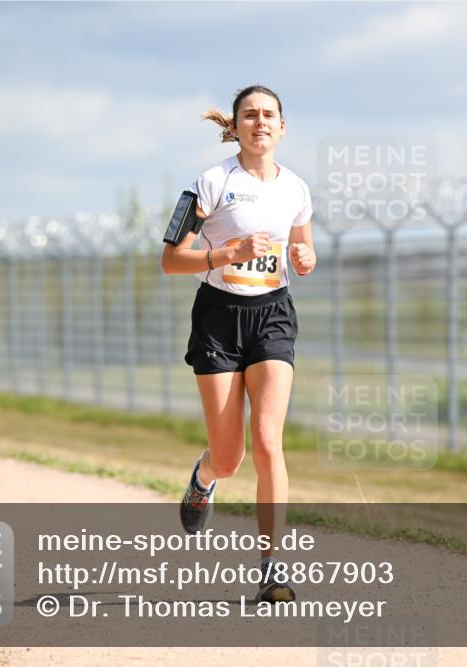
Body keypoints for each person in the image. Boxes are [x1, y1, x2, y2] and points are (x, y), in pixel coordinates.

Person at [161, 85, 316, 603]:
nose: (260, 122)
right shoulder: (209, 183)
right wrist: (224, 253)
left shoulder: (296, 188)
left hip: (273, 314)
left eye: (269, 114)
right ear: (236, 125)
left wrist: (305, 258)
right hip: (219, 319)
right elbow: (170, 259)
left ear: (282, 126)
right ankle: (205, 478)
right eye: (250, 115)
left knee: (268, 441)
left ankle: (272, 567)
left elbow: (302, 245)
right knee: (230, 457)